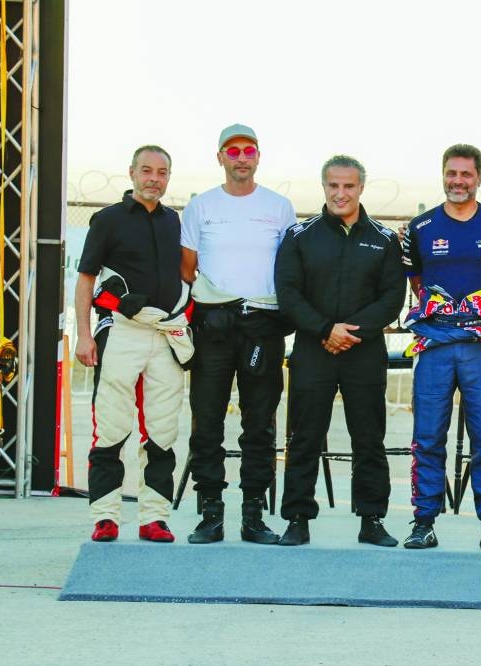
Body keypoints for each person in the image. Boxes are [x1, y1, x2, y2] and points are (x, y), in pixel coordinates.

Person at [273, 155, 405, 546]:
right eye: (334, 185)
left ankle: (372, 520)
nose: (341, 193)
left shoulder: (383, 240)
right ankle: (297, 518)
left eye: (348, 186)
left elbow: (392, 298)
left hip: (363, 352)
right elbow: (288, 293)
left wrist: (351, 333)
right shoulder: (300, 236)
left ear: (361, 188)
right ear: (324, 187)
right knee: (304, 436)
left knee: (368, 437)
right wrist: (324, 329)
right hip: (314, 349)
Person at [401, 144, 481, 551]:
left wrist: (480, 314)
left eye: (466, 175)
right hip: (434, 343)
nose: (458, 181)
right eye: (452, 174)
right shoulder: (420, 227)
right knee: (428, 436)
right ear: (443, 175)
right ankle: (423, 521)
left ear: (478, 178)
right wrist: (447, 313)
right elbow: (416, 282)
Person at [180, 124, 296, 545]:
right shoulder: (201, 207)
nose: (241, 158)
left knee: (260, 425)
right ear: (220, 158)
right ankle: (210, 512)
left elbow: (289, 265)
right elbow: (186, 268)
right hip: (214, 327)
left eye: (249, 151)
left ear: (259, 156)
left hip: (262, 326)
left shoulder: (279, 206)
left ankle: (253, 515)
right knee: (207, 421)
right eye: (233, 151)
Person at [76, 145, 192, 543]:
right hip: (121, 331)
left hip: (164, 335)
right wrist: (84, 335)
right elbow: (86, 280)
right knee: (110, 426)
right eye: (146, 170)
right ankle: (105, 516)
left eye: (162, 173)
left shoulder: (174, 222)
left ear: (168, 178)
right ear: (131, 173)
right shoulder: (107, 220)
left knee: (162, 429)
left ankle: (154, 518)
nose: (153, 179)